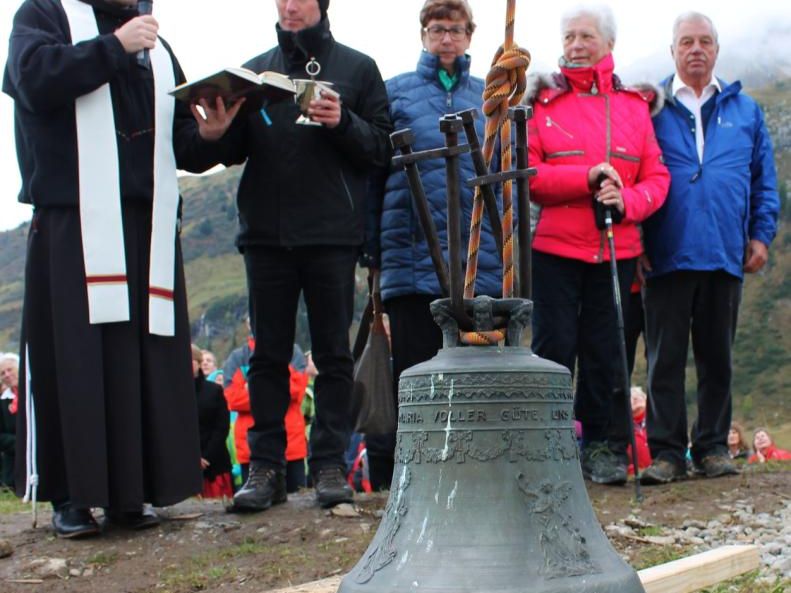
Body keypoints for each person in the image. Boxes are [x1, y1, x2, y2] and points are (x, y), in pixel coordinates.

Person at [3, 0, 239, 537]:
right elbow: (32, 79)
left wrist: (209, 135)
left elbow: (176, 141)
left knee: (140, 361)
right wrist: (112, 48)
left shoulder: (155, 46)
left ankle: (132, 493)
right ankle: (71, 495)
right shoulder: (45, 14)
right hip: (75, 222)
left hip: (146, 226)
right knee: (76, 361)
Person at [212, 0, 392, 511]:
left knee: (334, 353)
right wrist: (214, 129)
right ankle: (265, 469)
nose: (289, 6)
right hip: (266, 235)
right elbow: (221, 152)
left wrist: (343, 121)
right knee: (267, 355)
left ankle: (330, 463)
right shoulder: (252, 73)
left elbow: (382, 149)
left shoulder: (357, 68)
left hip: (332, 234)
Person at [523, 5, 669, 486]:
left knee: (608, 350)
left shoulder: (634, 107)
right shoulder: (542, 104)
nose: (576, 45)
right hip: (554, 248)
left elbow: (657, 177)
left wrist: (627, 201)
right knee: (553, 347)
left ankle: (604, 446)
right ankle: (549, 445)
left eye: (585, 36)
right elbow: (530, 175)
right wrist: (586, 177)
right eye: (569, 36)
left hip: (615, 247)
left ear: (608, 44)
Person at [363, 0, 501, 491]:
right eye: (437, 29)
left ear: (469, 36)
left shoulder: (488, 96)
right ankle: (413, 479)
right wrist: (373, 252)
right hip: (411, 255)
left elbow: (502, 172)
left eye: (456, 29)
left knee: (478, 377)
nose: (446, 38)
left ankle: (475, 475)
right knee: (417, 373)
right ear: (423, 34)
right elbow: (374, 173)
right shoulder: (394, 92)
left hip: (480, 261)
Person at [640, 12, 780, 484]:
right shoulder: (652, 108)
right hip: (665, 252)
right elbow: (636, 171)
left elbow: (763, 181)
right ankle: (666, 454)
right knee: (664, 359)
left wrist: (761, 235)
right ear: (672, 51)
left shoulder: (746, 111)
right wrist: (638, 239)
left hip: (725, 251)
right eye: (686, 42)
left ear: (717, 50)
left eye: (704, 41)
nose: (696, 49)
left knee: (717, 357)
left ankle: (713, 448)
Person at [223, 333, 310, 504]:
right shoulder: (237, 358)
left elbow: (297, 390)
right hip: (252, 450)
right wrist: (277, 389)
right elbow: (233, 399)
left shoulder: (293, 352)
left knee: (298, 504)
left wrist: (253, 389)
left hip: (291, 447)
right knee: (256, 506)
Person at [191, 345, 233, 499]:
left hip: (214, 464)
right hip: (182, 465)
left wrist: (205, 457)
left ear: (198, 363)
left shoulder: (214, 390)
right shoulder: (171, 392)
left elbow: (221, 427)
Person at [0, 353, 19, 490]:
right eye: (2, 373)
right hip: (14, 461)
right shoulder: (3, 402)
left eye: (10, 370)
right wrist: (20, 443)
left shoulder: (35, 393)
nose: (7, 375)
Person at [627, 387, 652, 475]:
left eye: (639, 395)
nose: (635, 398)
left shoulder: (658, 422)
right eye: (631, 397)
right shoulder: (622, 430)